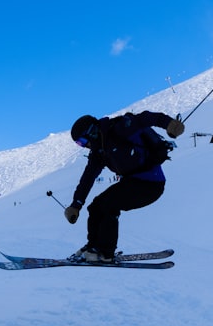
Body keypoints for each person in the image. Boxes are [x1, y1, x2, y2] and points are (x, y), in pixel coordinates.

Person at [65, 111, 185, 262]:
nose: (83, 146)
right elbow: (87, 178)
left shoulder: (120, 128)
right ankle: (93, 246)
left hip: (151, 184)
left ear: (92, 132)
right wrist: (76, 204)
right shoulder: (99, 152)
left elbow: (146, 118)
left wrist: (169, 124)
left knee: (109, 205)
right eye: (79, 144)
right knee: (95, 206)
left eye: (82, 141)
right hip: (131, 182)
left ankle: (105, 252)